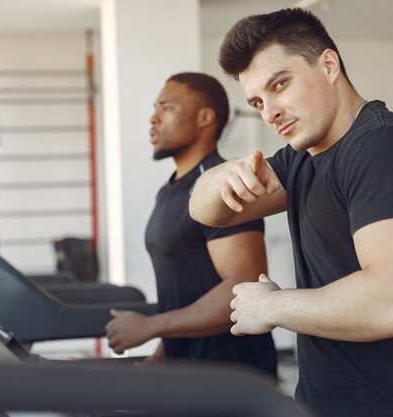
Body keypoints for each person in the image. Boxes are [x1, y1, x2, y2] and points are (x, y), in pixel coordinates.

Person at [189, 8, 393, 417]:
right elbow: (208, 213)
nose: (269, 112)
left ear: (328, 64)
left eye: (280, 84)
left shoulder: (384, 147)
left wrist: (272, 307)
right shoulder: (299, 160)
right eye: (258, 100)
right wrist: (223, 175)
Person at [105, 72, 277, 378]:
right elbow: (189, 285)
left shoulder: (224, 185)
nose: (153, 119)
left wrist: (150, 326)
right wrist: (165, 350)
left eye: (167, 108)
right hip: (187, 369)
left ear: (204, 118)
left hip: (230, 375)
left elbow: (244, 288)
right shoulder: (170, 190)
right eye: (155, 108)